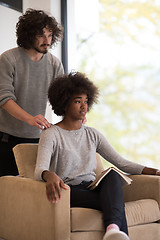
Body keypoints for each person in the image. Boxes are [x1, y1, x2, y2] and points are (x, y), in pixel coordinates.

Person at [34, 72, 160, 240]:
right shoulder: (51, 134)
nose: (84, 107)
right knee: (115, 203)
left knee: (113, 174)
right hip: (70, 190)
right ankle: (114, 228)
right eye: (78, 101)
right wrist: (49, 175)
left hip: (92, 186)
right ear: (64, 103)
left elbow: (121, 162)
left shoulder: (92, 134)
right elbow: (39, 169)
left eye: (86, 101)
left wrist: (154, 171)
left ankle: (112, 230)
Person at [0, 8, 64, 177]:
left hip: (36, 139)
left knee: (30, 194)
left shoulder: (54, 63)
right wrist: (30, 118)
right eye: (41, 35)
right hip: (6, 138)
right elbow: (5, 99)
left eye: (50, 35)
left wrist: (75, 113)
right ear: (29, 35)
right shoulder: (8, 59)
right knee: (6, 193)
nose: (47, 40)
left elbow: (63, 96)